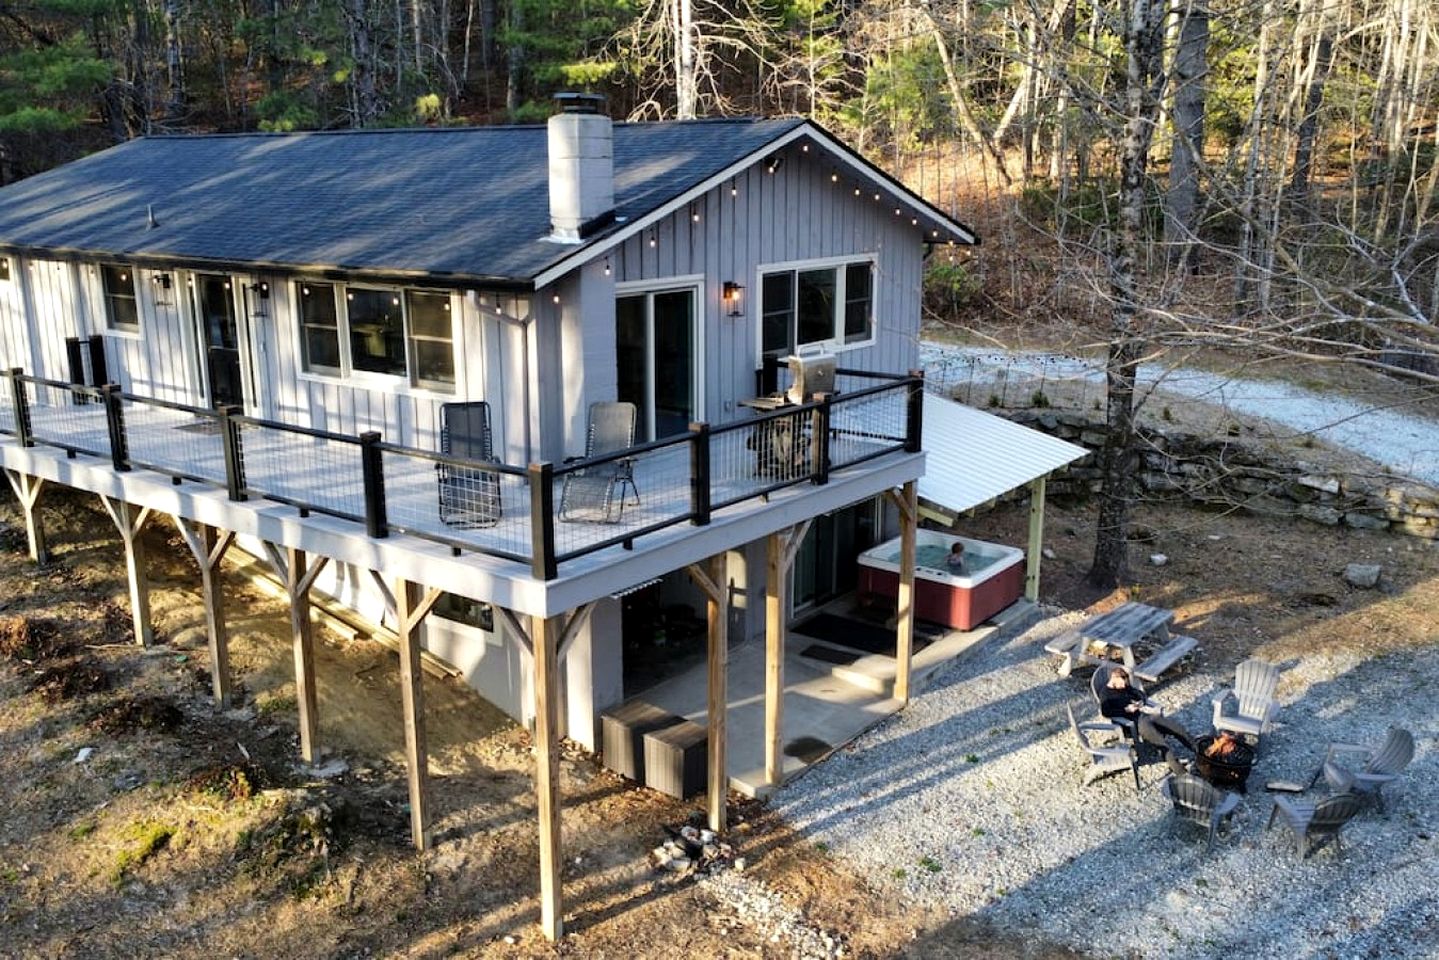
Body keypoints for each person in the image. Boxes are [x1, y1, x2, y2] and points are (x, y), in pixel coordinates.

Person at [1098, 666, 1197, 777]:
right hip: (1133, 724)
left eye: (1125, 684)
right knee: (1160, 742)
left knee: (1176, 728)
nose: (1124, 686)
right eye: (1121, 684)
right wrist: (1126, 710)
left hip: (1143, 716)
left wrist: (1140, 701)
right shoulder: (1105, 694)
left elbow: (1139, 693)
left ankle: (1198, 750)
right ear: (1114, 679)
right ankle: (1180, 772)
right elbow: (1106, 712)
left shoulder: (1124, 686)